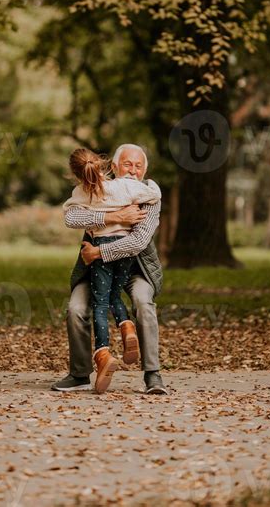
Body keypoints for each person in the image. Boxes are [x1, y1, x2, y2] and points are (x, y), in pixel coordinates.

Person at [52, 143, 168, 395]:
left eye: (139, 166)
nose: (133, 171)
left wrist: (98, 251)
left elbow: (137, 242)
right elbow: (72, 218)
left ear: (145, 170)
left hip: (135, 268)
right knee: (76, 308)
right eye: (128, 164)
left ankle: (153, 374)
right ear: (114, 167)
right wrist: (113, 217)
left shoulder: (146, 196)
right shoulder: (98, 191)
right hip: (97, 267)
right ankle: (80, 374)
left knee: (142, 301)